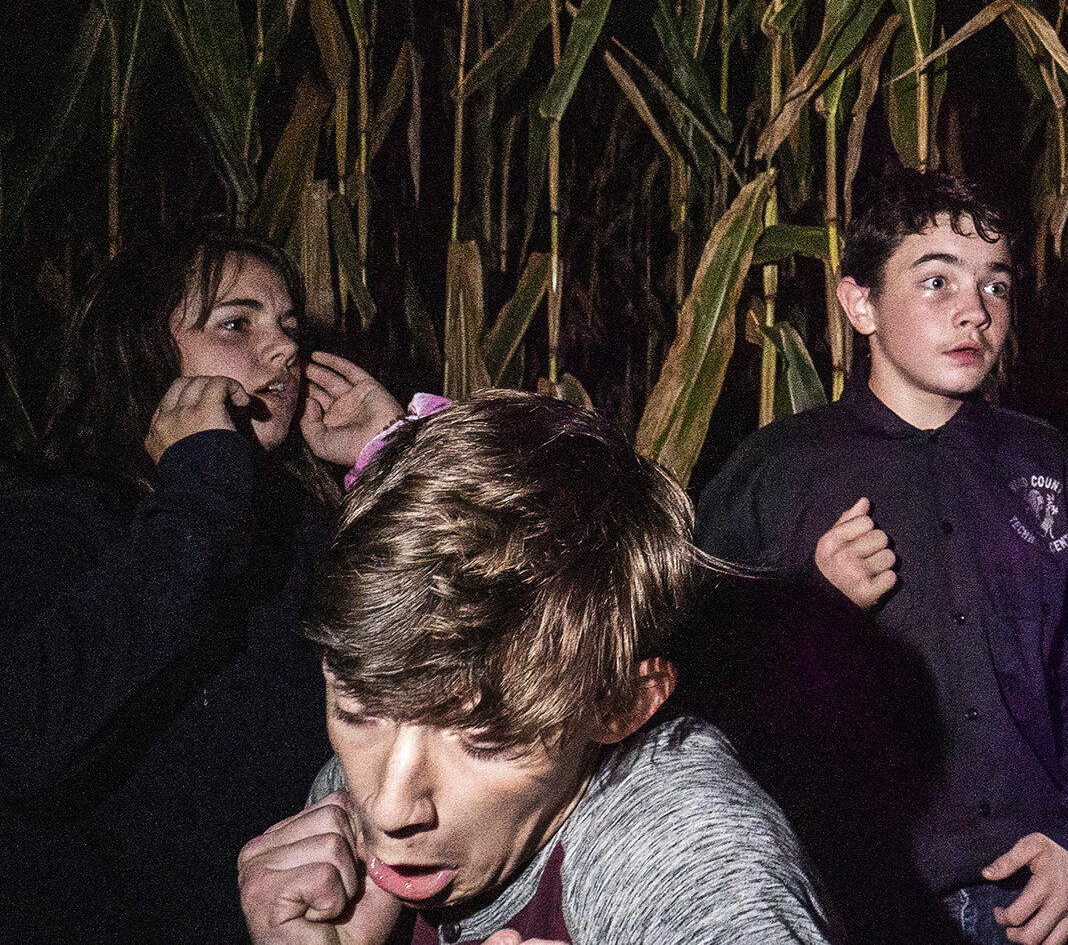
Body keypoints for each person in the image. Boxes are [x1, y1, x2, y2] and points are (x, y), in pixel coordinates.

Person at [693, 168, 1068, 945]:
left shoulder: (1048, 467)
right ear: (859, 303)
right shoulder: (775, 471)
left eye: (996, 286)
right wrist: (811, 602)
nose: (975, 311)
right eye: (936, 279)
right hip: (852, 910)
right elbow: (688, 688)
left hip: (1036, 901)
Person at [237, 390, 842, 945]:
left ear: (619, 703)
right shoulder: (354, 789)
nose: (391, 808)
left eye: (484, 737)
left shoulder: (683, 857)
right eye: (358, 711)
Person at [0, 224, 402, 943]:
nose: (283, 350)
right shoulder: (44, 521)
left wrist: (392, 463)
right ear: (140, 348)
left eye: (287, 326)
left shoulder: (302, 530)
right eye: (236, 323)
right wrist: (200, 485)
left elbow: (457, 675)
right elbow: (26, 739)